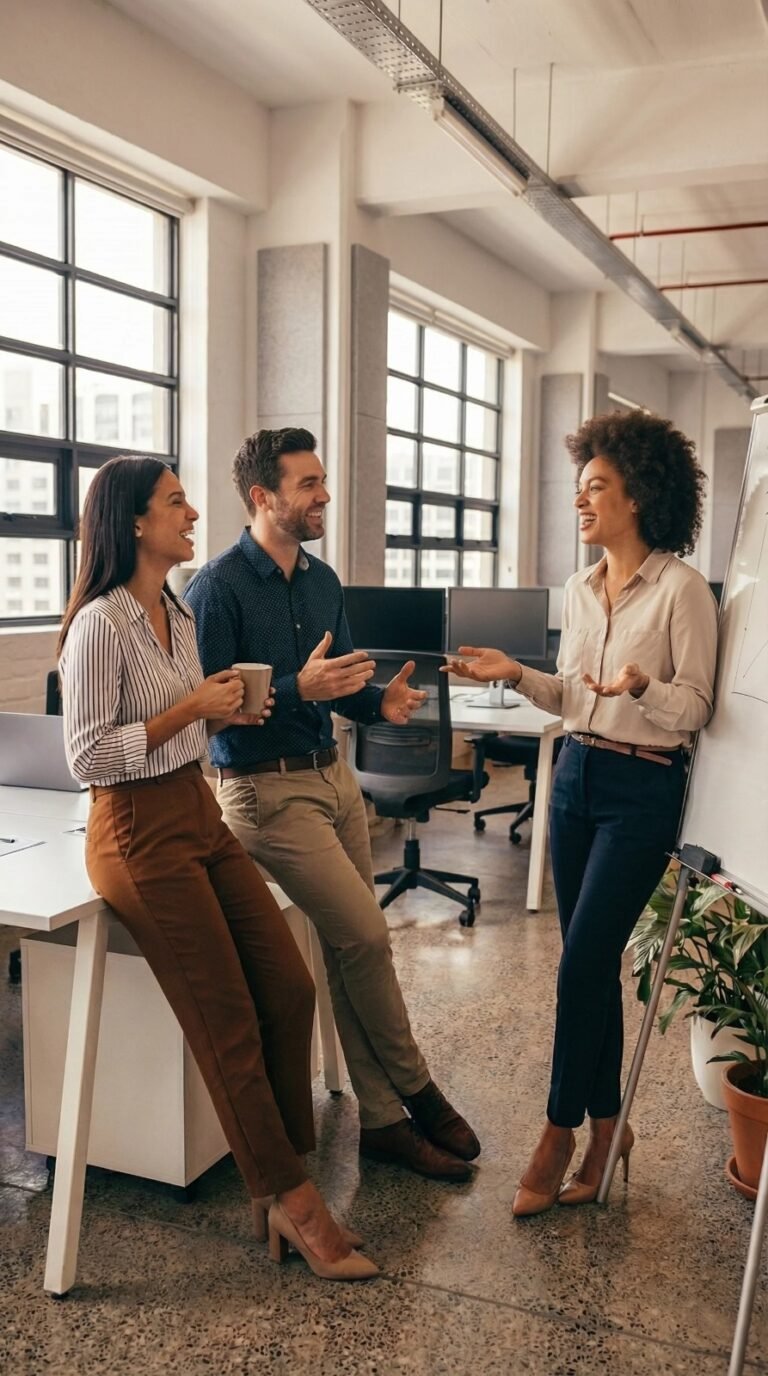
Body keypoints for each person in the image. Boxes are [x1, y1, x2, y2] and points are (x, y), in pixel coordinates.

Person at [58, 454, 378, 1281]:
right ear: (133, 521)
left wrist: (237, 704)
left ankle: (280, 1180)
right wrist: (191, 709)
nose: (193, 512)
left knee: (288, 983)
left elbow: (197, 731)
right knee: (227, 1014)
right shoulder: (100, 623)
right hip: (134, 831)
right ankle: (296, 1202)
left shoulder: (175, 608)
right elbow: (88, 755)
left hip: (195, 812)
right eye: (175, 502)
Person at [184, 427, 480, 1182]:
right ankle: (416, 1085)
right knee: (367, 937)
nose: (323, 496)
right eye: (308, 484)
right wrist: (293, 690)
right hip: (262, 792)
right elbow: (206, 711)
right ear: (264, 496)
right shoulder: (214, 588)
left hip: (333, 779)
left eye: (322, 481)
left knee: (352, 951)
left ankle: (381, 1122)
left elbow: (344, 683)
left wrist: (387, 701)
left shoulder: (322, 582)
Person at [445, 410, 717, 1214]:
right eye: (581, 489)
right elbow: (571, 696)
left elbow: (697, 709)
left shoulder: (682, 591)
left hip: (643, 787)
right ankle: (611, 1131)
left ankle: (559, 1129)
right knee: (589, 967)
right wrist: (517, 674)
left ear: (639, 496)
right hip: (575, 778)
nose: (582, 503)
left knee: (581, 964)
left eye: (597, 487)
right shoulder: (579, 588)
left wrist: (643, 686)